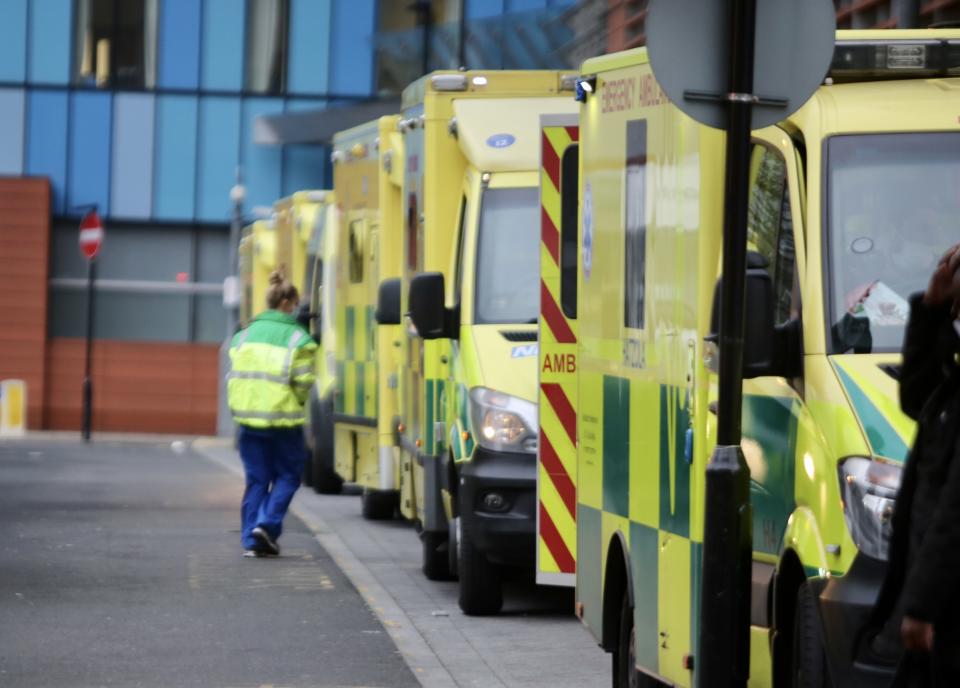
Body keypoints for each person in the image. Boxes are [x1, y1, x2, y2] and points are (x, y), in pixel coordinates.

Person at [872, 244, 960, 686]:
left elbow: (954, 512)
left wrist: (921, 606)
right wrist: (930, 309)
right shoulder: (953, 380)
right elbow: (917, 396)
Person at [227, 271, 316, 558]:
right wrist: (295, 402)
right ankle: (266, 526)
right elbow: (303, 383)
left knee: (256, 480)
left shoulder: (243, 335)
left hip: (248, 422)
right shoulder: (298, 339)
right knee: (288, 476)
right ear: (288, 303)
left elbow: (235, 378)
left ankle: (251, 539)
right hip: (283, 421)